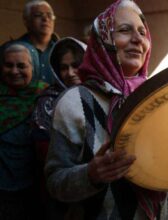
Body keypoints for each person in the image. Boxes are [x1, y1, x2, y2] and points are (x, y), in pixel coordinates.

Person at [45, 1, 168, 219]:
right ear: (103, 40)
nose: (138, 39)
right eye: (124, 30)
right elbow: (54, 183)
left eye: (142, 32)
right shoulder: (74, 102)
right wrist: (90, 175)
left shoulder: (159, 97)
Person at [31, 37, 86, 219]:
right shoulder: (48, 102)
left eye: (76, 65)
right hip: (62, 194)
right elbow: (45, 153)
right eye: (64, 68)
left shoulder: (101, 95)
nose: (70, 73)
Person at [0, 43, 47, 219]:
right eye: (8, 65)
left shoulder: (45, 97)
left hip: (35, 190)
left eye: (21, 66)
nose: (14, 71)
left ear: (33, 67)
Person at [13, 0, 58, 85]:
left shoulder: (61, 50)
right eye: (38, 15)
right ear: (26, 21)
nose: (45, 19)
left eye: (49, 15)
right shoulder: (12, 51)